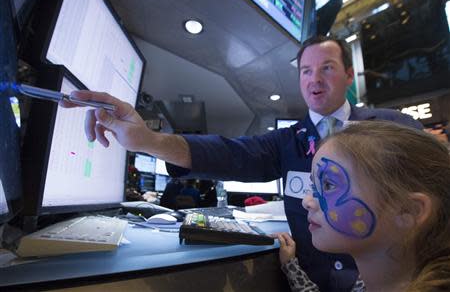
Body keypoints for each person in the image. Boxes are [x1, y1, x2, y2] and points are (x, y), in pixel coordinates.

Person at [60, 35, 423, 290]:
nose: (314, 79)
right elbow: (229, 153)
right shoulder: (286, 143)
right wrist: (149, 141)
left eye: (326, 68)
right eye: (305, 71)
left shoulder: (392, 128)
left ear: (348, 75)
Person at [276, 121, 450, 291]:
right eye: (314, 187)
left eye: (329, 185)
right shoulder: (368, 280)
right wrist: (291, 265)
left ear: (408, 211)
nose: (306, 201)